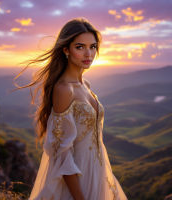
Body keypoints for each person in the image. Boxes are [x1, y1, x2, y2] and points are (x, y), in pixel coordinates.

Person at [12, 17, 128, 200]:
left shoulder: (85, 85)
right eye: (80, 47)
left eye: (93, 46)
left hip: (99, 172)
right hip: (78, 181)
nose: (88, 53)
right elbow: (62, 153)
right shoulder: (64, 89)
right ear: (66, 50)